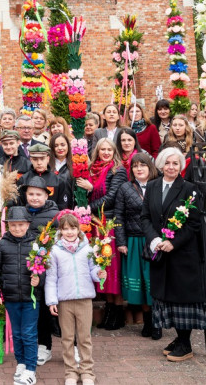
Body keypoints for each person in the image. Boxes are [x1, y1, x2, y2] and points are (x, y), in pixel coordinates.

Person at [142, 147, 205, 363]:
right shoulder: (151, 187)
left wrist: (173, 243)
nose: (171, 167)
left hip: (181, 254)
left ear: (181, 166)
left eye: (175, 163)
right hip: (159, 250)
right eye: (167, 163)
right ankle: (178, 339)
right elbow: (145, 218)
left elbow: (193, 223)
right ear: (160, 165)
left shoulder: (190, 189)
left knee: (182, 299)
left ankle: (185, 344)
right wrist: (155, 240)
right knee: (166, 297)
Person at [45, 211, 107, 385]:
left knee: (84, 338)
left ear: (79, 229)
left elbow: (94, 271)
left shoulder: (87, 249)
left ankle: (87, 372)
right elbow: (51, 278)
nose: (70, 232)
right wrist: (52, 301)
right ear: (60, 231)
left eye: (73, 228)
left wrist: (100, 274)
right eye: (65, 229)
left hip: (84, 300)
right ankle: (71, 373)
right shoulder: (55, 251)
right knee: (67, 338)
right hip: (64, 301)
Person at [113, 153, 161, 341]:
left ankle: (157, 322)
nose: (139, 169)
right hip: (133, 241)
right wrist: (121, 242)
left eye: (142, 165)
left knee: (153, 282)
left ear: (150, 167)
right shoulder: (125, 188)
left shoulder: (158, 185)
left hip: (154, 241)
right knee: (139, 283)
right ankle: (148, 322)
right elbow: (118, 216)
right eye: (135, 166)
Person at [0, 206, 39, 385]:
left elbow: (45, 267)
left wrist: (39, 278)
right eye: (13, 225)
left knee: (29, 333)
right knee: (16, 334)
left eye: (21, 225)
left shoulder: (36, 243)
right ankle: (21, 363)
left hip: (31, 298)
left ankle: (31, 369)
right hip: (10, 297)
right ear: (7, 225)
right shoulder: (2, 244)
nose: (17, 228)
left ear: (28, 224)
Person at [79, 137, 125, 329]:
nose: (105, 153)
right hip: (95, 224)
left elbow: (111, 198)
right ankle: (108, 309)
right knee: (101, 266)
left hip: (109, 222)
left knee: (112, 267)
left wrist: (87, 205)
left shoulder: (118, 170)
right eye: (102, 149)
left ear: (114, 152)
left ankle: (117, 313)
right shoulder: (91, 170)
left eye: (109, 149)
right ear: (96, 151)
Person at [20, 175, 59, 364]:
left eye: (38, 194)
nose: (34, 197)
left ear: (46, 195)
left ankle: (49, 345)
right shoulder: (21, 212)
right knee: (33, 308)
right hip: (27, 268)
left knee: (45, 309)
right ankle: (38, 345)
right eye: (31, 194)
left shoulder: (54, 215)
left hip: (47, 269)